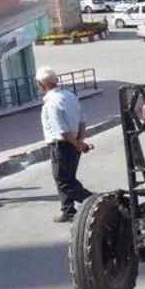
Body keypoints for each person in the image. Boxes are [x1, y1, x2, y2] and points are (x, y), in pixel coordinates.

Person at [36, 67, 94, 222]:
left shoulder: (51, 103)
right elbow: (82, 120)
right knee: (66, 177)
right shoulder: (69, 96)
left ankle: (95, 202)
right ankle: (67, 210)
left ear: (41, 85)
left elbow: (62, 131)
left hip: (62, 145)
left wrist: (77, 144)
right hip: (73, 142)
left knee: (64, 181)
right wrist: (80, 142)